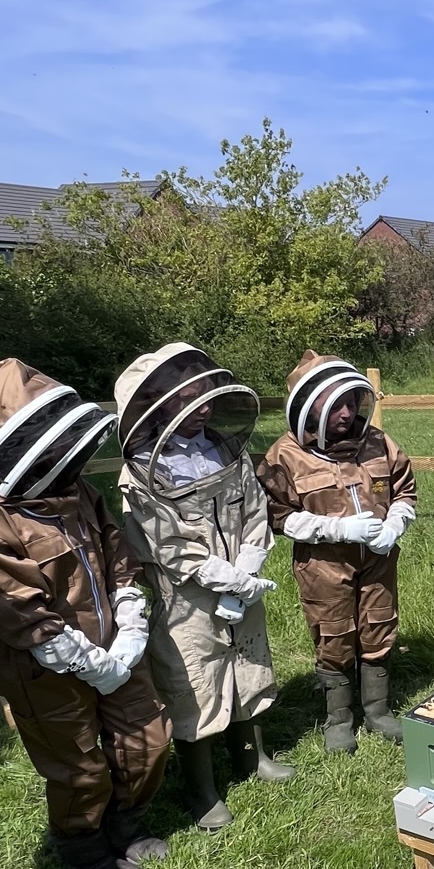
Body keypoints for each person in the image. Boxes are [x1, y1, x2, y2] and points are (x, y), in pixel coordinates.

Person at [0, 360, 171, 869]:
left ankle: (127, 827)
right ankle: (86, 856)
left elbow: (119, 560)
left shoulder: (78, 493)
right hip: (45, 665)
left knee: (147, 738)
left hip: (118, 646)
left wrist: (131, 625)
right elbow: (16, 604)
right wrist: (85, 659)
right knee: (76, 765)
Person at [115, 343, 287, 828]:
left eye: (207, 395)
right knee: (195, 677)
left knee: (249, 661)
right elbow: (168, 546)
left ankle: (253, 757)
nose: (205, 407)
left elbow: (254, 509)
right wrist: (225, 578)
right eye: (189, 399)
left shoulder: (223, 448)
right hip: (186, 595)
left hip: (244, 582)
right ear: (157, 402)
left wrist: (249, 566)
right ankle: (202, 790)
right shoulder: (142, 472)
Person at [257, 353, 416, 752]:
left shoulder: (378, 442)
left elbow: (405, 491)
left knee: (378, 624)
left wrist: (396, 523)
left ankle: (378, 711)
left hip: (378, 559)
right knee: (334, 633)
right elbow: (277, 515)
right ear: (310, 409)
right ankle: (339, 718)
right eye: (335, 405)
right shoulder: (284, 456)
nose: (346, 413)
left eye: (351, 402)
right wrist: (338, 528)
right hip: (323, 565)